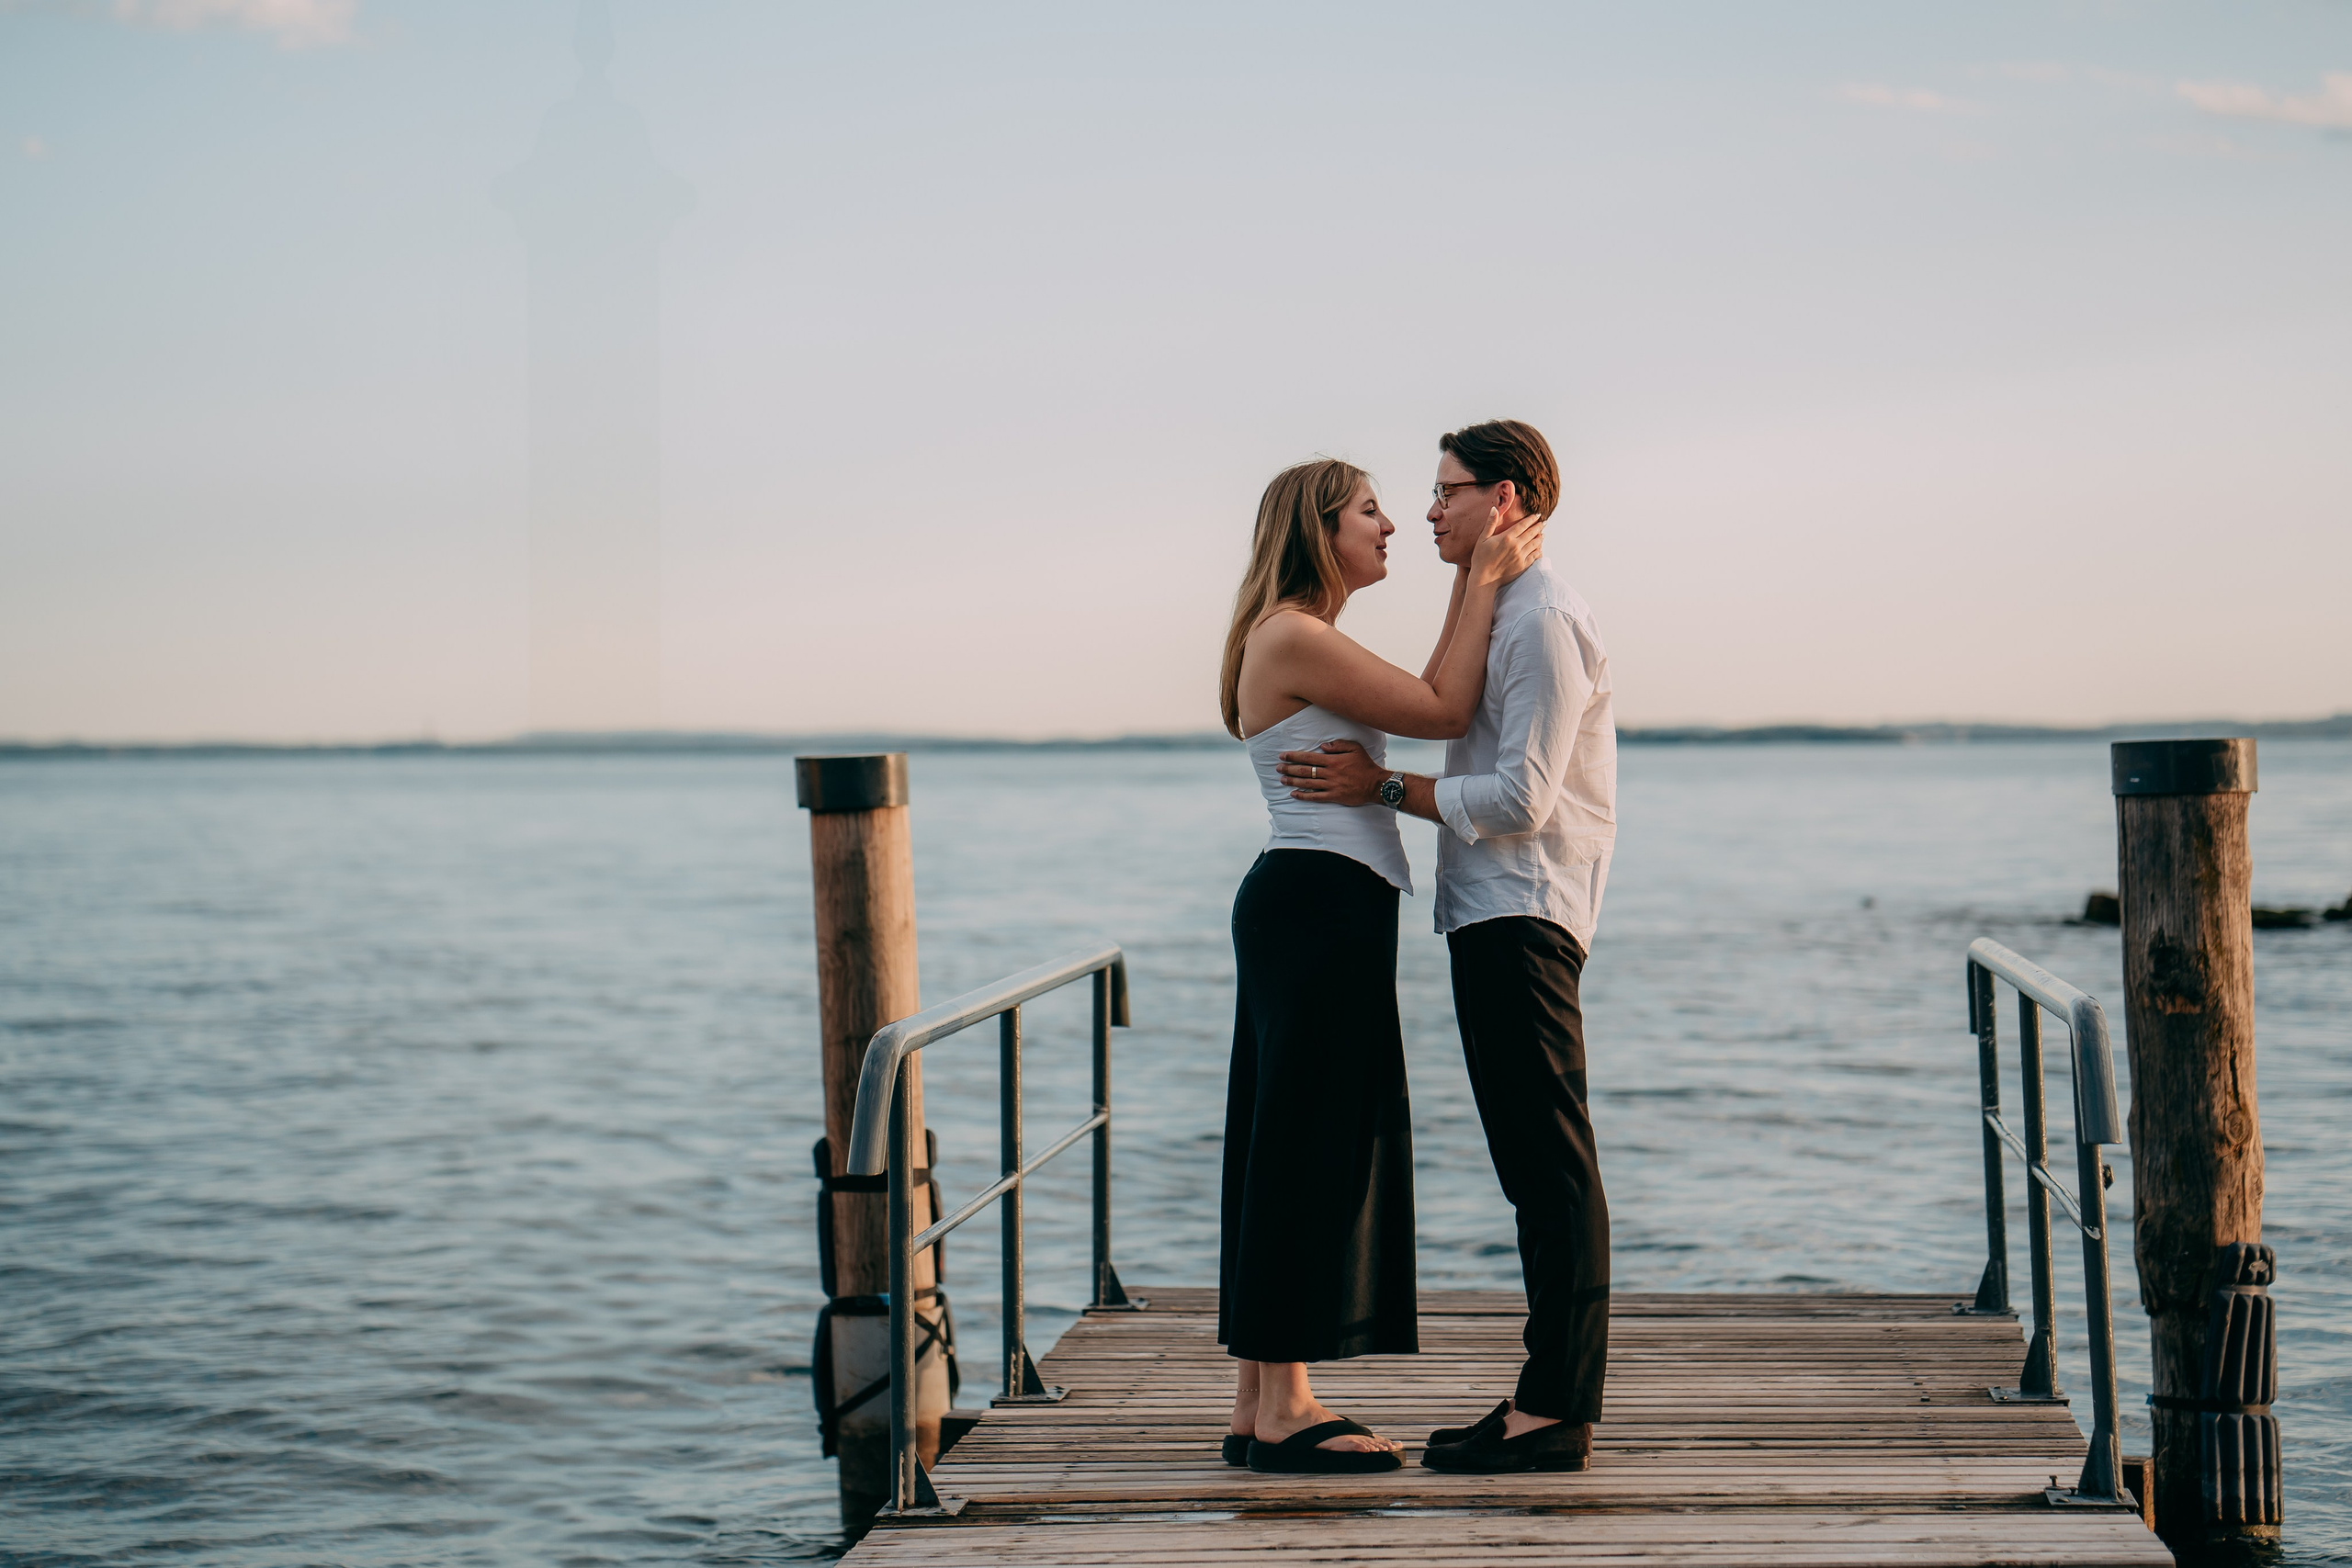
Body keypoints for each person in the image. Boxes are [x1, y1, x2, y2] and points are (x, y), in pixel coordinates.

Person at [1277, 419, 1614, 1474]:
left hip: (1523, 910)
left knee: (1550, 1167)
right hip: (1486, 912)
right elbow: (1441, 710)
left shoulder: (1544, 620)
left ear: (1503, 501)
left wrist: (1377, 788)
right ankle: (1540, 1395)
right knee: (1531, 1167)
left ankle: (1554, 1407)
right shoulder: (1504, 610)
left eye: (1447, 491)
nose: (1428, 511)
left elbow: (1521, 800)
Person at [1217, 457, 1542, 1474]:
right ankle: (1281, 1410)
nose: (1393, 523)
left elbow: (1430, 691)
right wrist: (1484, 576)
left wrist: (1469, 580)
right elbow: (1445, 711)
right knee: (1310, 1144)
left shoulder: (1297, 634)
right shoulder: (1293, 635)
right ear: (1319, 528)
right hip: (1316, 906)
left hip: (1313, 904)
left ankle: (1263, 1398)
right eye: (1369, 510)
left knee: (1288, 1140)